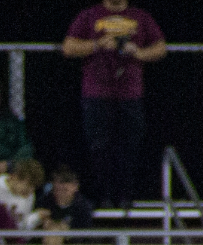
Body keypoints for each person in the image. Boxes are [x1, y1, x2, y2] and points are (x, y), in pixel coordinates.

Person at [62, 0, 166, 207]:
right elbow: (68, 47)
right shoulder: (89, 15)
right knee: (99, 147)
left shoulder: (141, 16)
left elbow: (160, 48)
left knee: (129, 147)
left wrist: (137, 52)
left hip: (130, 94)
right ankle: (103, 197)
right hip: (96, 93)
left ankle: (125, 197)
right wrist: (97, 44)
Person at [29, 165, 100, 245]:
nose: (61, 188)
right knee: (52, 233)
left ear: (75, 186)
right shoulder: (44, 202)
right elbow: (35, 232)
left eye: (66, 183)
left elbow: (85, 236)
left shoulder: (83, 206)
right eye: (58, 183)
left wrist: (66, 233)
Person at [0, 157, 46, 231]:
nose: (30, 191)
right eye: (28, 185)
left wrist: (35, 217)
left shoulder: (30, 196)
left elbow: (22, 228)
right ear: (16, 177)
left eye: (33, 187)